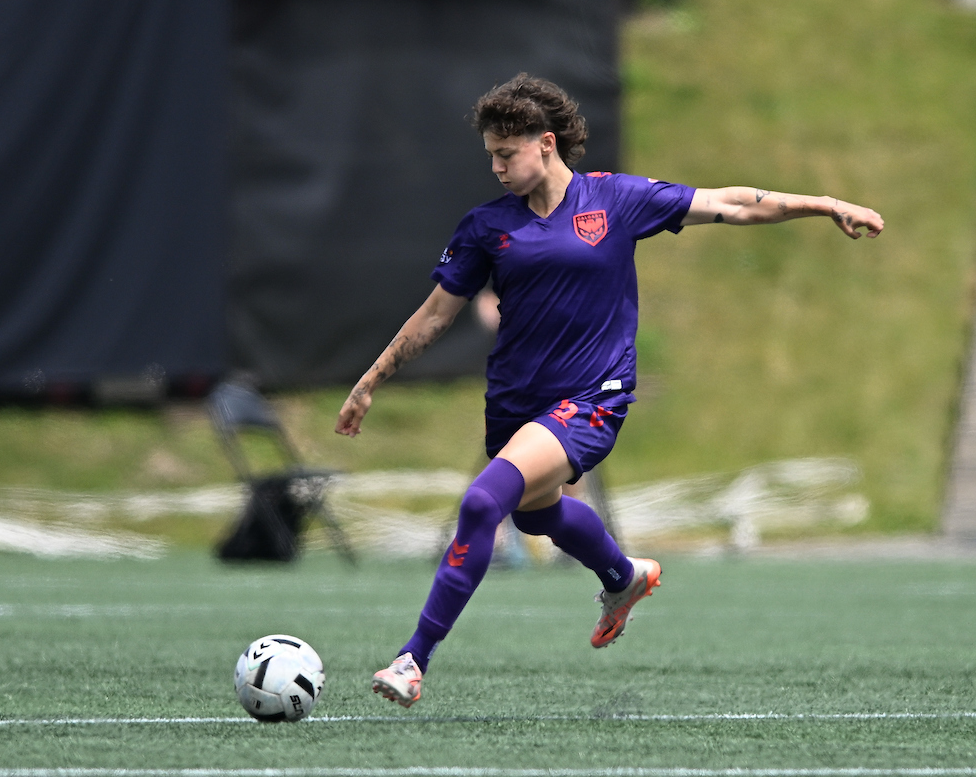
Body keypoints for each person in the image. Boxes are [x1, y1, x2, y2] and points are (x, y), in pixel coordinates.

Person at [335, 73, 883, 708]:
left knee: (484, 503)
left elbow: (732, 204)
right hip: (516, 404)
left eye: (504, 153)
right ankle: (623, 578)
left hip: (593, 398)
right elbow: (435, 314)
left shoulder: (616, 200)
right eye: (489, 153)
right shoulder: (487, 227)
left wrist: (823, 203)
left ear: (545, 144)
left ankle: (412, 660)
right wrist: (371, 381)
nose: (495, 166)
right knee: (533, 514)